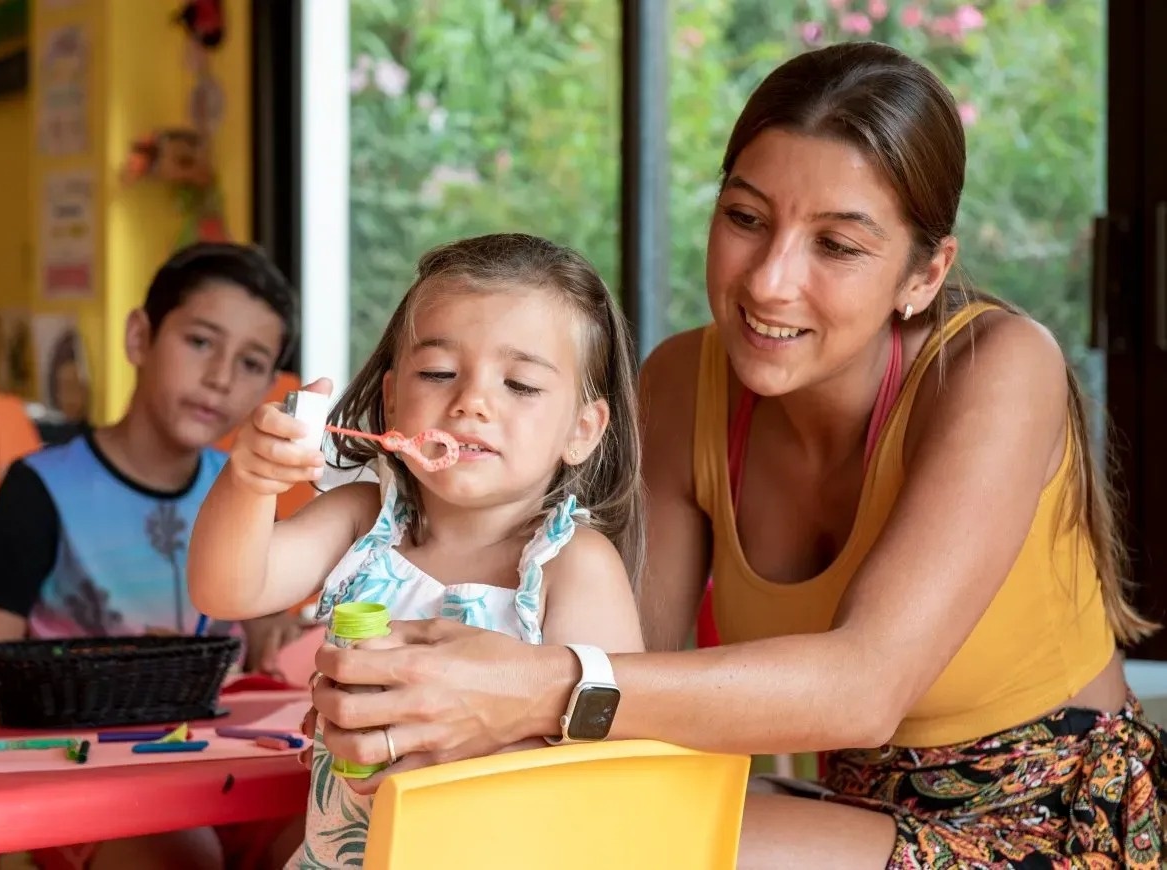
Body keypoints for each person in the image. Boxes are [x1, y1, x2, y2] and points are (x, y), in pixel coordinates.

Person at [304, 43, 1167, 869]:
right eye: (746, 218)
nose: (768, 280)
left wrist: (529, 690)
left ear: (924, 273)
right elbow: (629, 668)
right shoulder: (683, 382)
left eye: (837, 245)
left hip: (1052, 822)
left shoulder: (1000, 367)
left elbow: (864, 689)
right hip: (855, 813)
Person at [188, 232, 646, 869]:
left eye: (520, 384)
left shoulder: (572, 566)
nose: (472, 403)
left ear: (581, 430)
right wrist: (249, 482)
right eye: (438, 373)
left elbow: (615, 765)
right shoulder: (362, 520)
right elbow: (227, 588)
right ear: (392, 398)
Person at [0, 242, 309, 870]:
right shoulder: (39, 488)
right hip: (85, 792)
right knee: (180, 858)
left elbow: (261, 634)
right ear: (140, 337)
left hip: (227, 777)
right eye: (200, 342)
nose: (222, 377)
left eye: (251, 363)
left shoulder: (245, 489)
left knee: (327, 837)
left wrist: (280, 634)